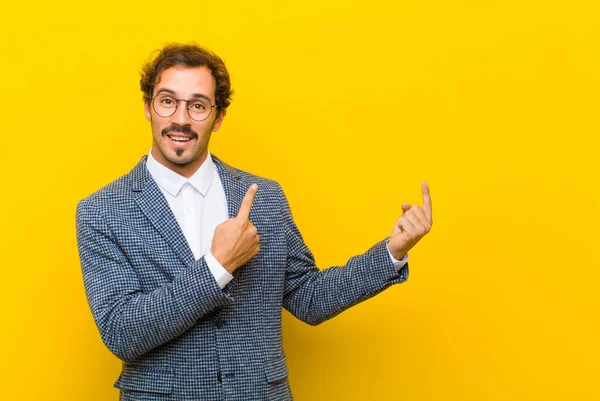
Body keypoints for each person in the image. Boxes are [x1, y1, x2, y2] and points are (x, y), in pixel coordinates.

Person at [76, 43, 433, 401]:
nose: (181, 119)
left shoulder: (266, 198)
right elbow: (122, 332)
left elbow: (309, 297)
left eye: (197, 105)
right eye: (167, 101)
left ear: (217, 118)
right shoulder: (102, 211)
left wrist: (391, 252)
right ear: (147, 107)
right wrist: (217, 266)